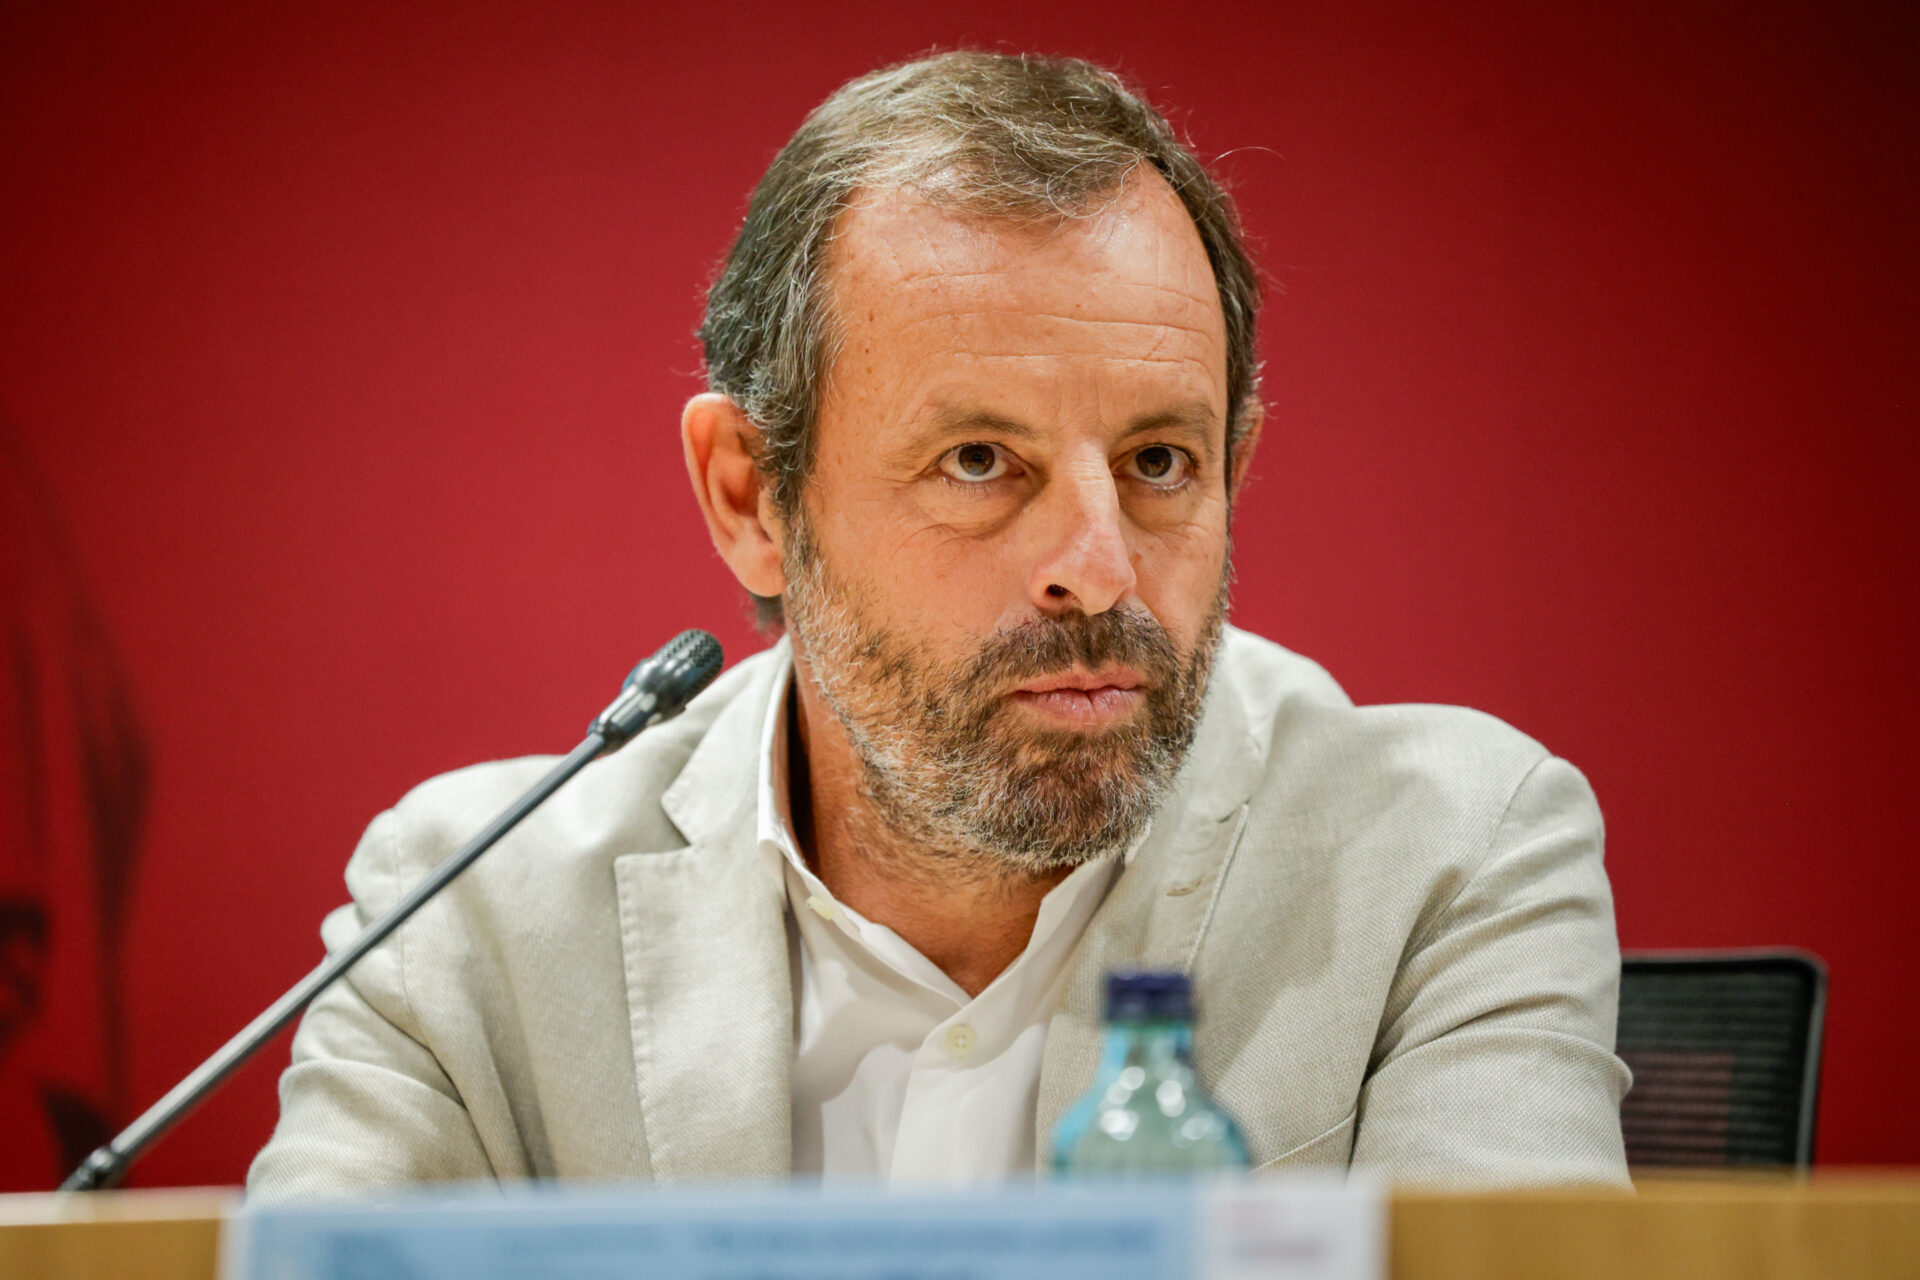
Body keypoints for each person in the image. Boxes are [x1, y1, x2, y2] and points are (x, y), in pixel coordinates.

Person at [249, 51, 1629, 1197]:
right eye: (980, 462)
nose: (1099, 572)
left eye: (1159, 461)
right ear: (752, 497)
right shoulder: (469, 917)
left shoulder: (1448, 857)